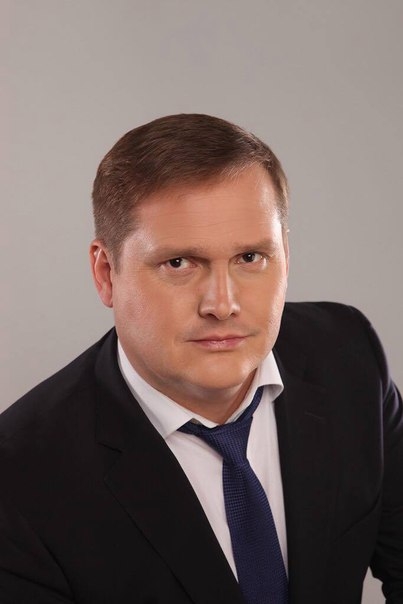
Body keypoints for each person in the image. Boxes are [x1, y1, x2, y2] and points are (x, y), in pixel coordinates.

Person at [0, 114, 402, 604]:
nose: (222, 304)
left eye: (250, 258)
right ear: (106, 273)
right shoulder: (19, 482)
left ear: (285, 254)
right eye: (179, 263)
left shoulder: (349, 356)